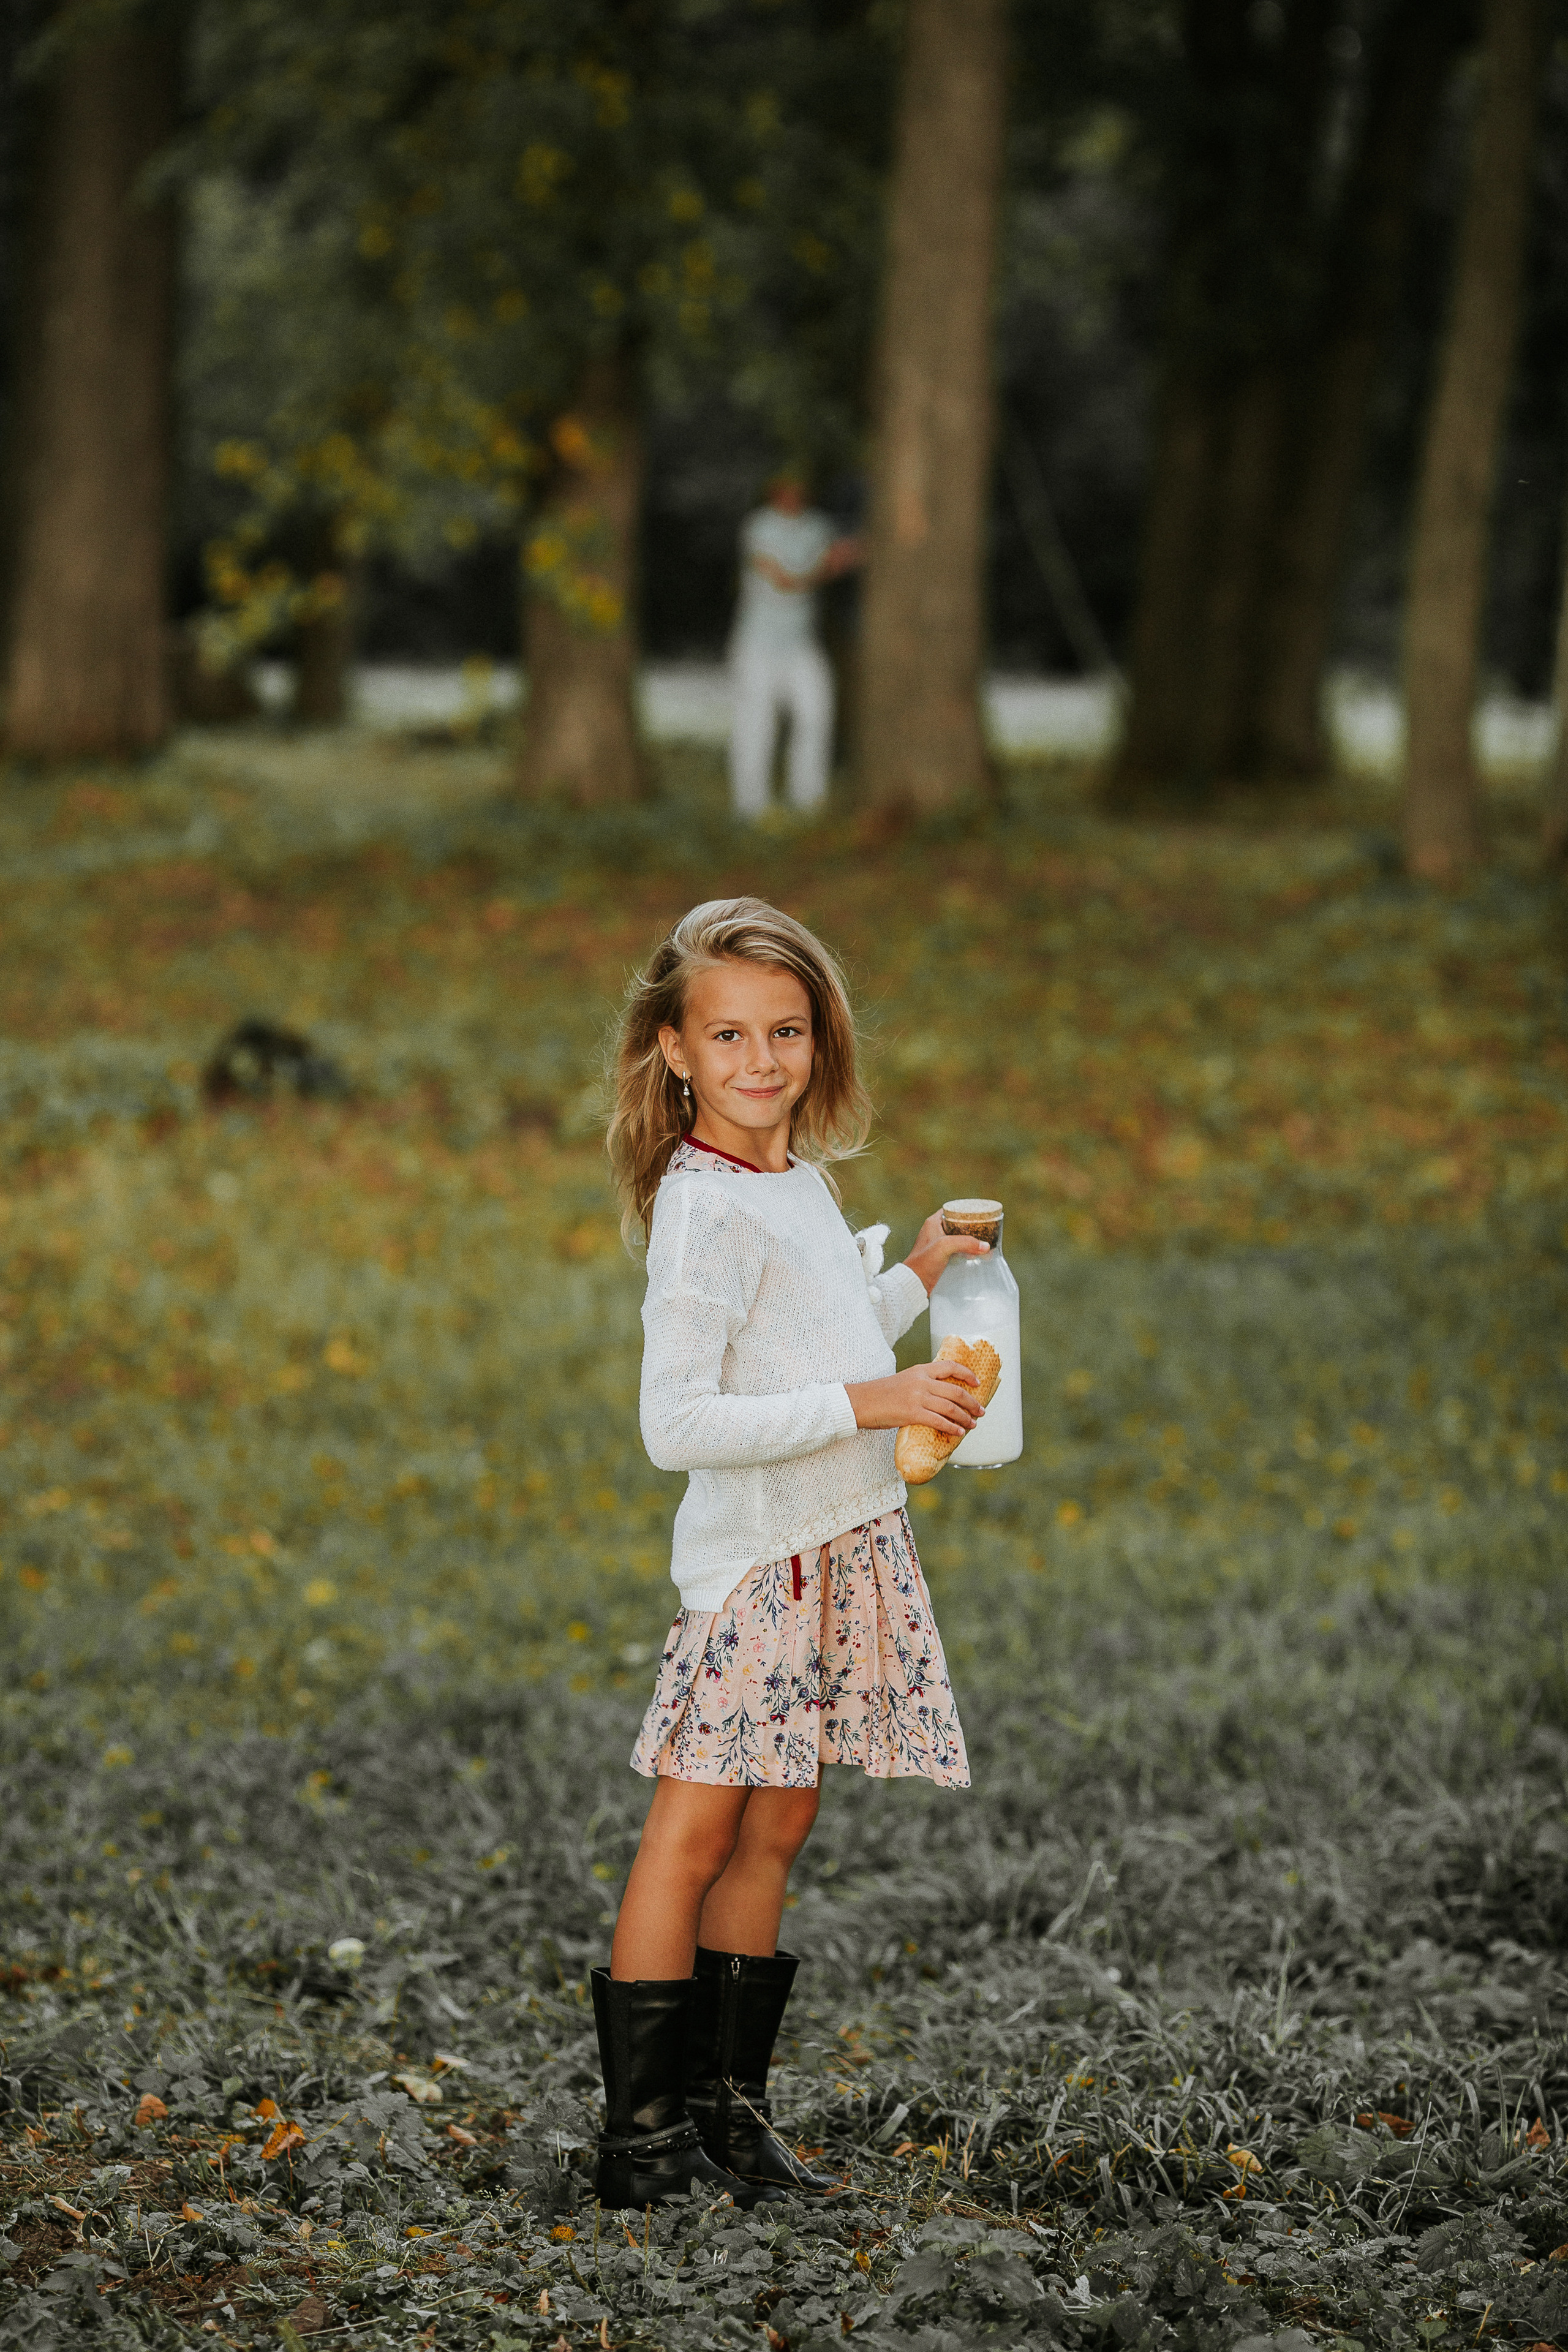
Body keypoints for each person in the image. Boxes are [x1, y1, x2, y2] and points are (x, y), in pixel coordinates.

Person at [594, 895, 986, 2211]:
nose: (760, 1060)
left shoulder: (795, 1181)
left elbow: (816, 1338)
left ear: (820, 1042)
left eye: (787, 1032)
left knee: (778, 1824)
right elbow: (678, 1424)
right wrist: (876, 1404)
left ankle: (728, 2116)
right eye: (729, 1035)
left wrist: (913, 1279)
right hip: (762, 1567)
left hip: (837, 1546)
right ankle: (643, 2147)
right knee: (692, 1835)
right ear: (675, 1049)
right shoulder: (702, 1210)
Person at [728, 475, 861, 820]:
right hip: (758, 643)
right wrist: (824, 568)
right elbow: (783, 580)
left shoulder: (817, 525)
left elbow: (845, 553)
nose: (793, 493)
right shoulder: (759, 525)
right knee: (756, 722)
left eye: (799, 486)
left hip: (801, 643)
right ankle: (750, 807)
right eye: (786, 486)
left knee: (817, 714)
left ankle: (807, 801)